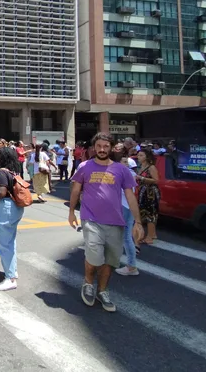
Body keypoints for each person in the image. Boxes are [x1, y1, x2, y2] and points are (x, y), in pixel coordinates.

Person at [68, 132, 144, 312]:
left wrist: (138, 222)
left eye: (106, 146)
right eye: (99, 146)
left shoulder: (122, 170)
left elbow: (130, 197)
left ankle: (102, 290)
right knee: (94, 257)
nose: (102, 150)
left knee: (110, 261)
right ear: (94, 147)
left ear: (111, 148)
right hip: (91, 219)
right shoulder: (85, 166)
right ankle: (88, 283)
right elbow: (75, 191)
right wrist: (71, 212)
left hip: (115, 223)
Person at [0, 147, 25, 291]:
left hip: (3, 209)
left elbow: (1, 193)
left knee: (3, 245)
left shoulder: (2, 172)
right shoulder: (13, 170)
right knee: (10, 242)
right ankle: (12, 271)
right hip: (14, 208)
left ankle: (10, 278)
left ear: (2, 158)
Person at [116, 157, 140, 276]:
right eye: (124, 161)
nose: (126, 164)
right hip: (126, 206)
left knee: (125, 236)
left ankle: (131, 266)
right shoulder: (128, 173)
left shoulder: (124, 173)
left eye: (127, 162)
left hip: (125, 207)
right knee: (122, 236)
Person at [136, 148, 161, 245]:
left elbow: (156, 180)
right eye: (138, 155)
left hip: (151, 193)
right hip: (143, 192)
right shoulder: (140, 166)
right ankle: (151, 234)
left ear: (147, 157)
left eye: (141, 155)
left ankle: (150, 236)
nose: (139, 157)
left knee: (151, 213)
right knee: (144, 213)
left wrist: (141, 178)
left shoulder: (151, 167)